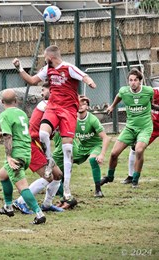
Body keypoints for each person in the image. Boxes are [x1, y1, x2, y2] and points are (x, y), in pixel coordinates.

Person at [13, 45, 96, 204]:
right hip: (35, 140)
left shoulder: (68, 68)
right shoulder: (45, 102)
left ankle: (60, 194)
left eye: (44, 57)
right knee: (45, 142)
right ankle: (21, 201)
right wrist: (19, 68)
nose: (42, 93)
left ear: (50, 57)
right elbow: (32, 80)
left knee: (64, 156)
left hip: (67, 111)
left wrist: (90, 81)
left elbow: (84, 76)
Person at [0, 89, 46, 225]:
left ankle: (39, 214)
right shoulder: (22, 113)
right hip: (27, 152)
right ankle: (8, 207)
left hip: (16, 154)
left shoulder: (4, 115)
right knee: (3, 174)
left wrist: (9, 156)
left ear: (2, 102)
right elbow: (16, 131)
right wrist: (0, 133)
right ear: (16, 101)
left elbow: (8, 136)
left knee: (22, 186)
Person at [13, 83, 64, 214]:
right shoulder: (45, 105)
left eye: (44, 90)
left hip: (39, 146)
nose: (41, 93)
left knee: (58, 175)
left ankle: (47, 204)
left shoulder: (54, 106)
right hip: (31, 145)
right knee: (48, 177)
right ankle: (20, 202)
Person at [100, 68, 153, 188]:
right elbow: (119, 96)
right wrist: (112, 106)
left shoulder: (148, 91)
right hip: (130, 127)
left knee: (139, 150)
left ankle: (135, 180)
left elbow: (151, 101)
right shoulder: (124, 91)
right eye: (130, 80)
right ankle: (109, 176)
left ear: (140, 81)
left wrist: (150, 112)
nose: (133, 82)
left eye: (135, 80)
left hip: (145, 128)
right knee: (114, 153)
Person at [53, 96, 111, 202]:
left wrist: (102, 154)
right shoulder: (72, 118)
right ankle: (59, 187)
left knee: (93, 160)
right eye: (78, 103)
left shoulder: (93, 119)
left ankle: (98, 190)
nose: (80, 105)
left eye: (83, 104)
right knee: (61, 159)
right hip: (81, 147)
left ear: (88, 107)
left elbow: (106, 138)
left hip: (95, 146)